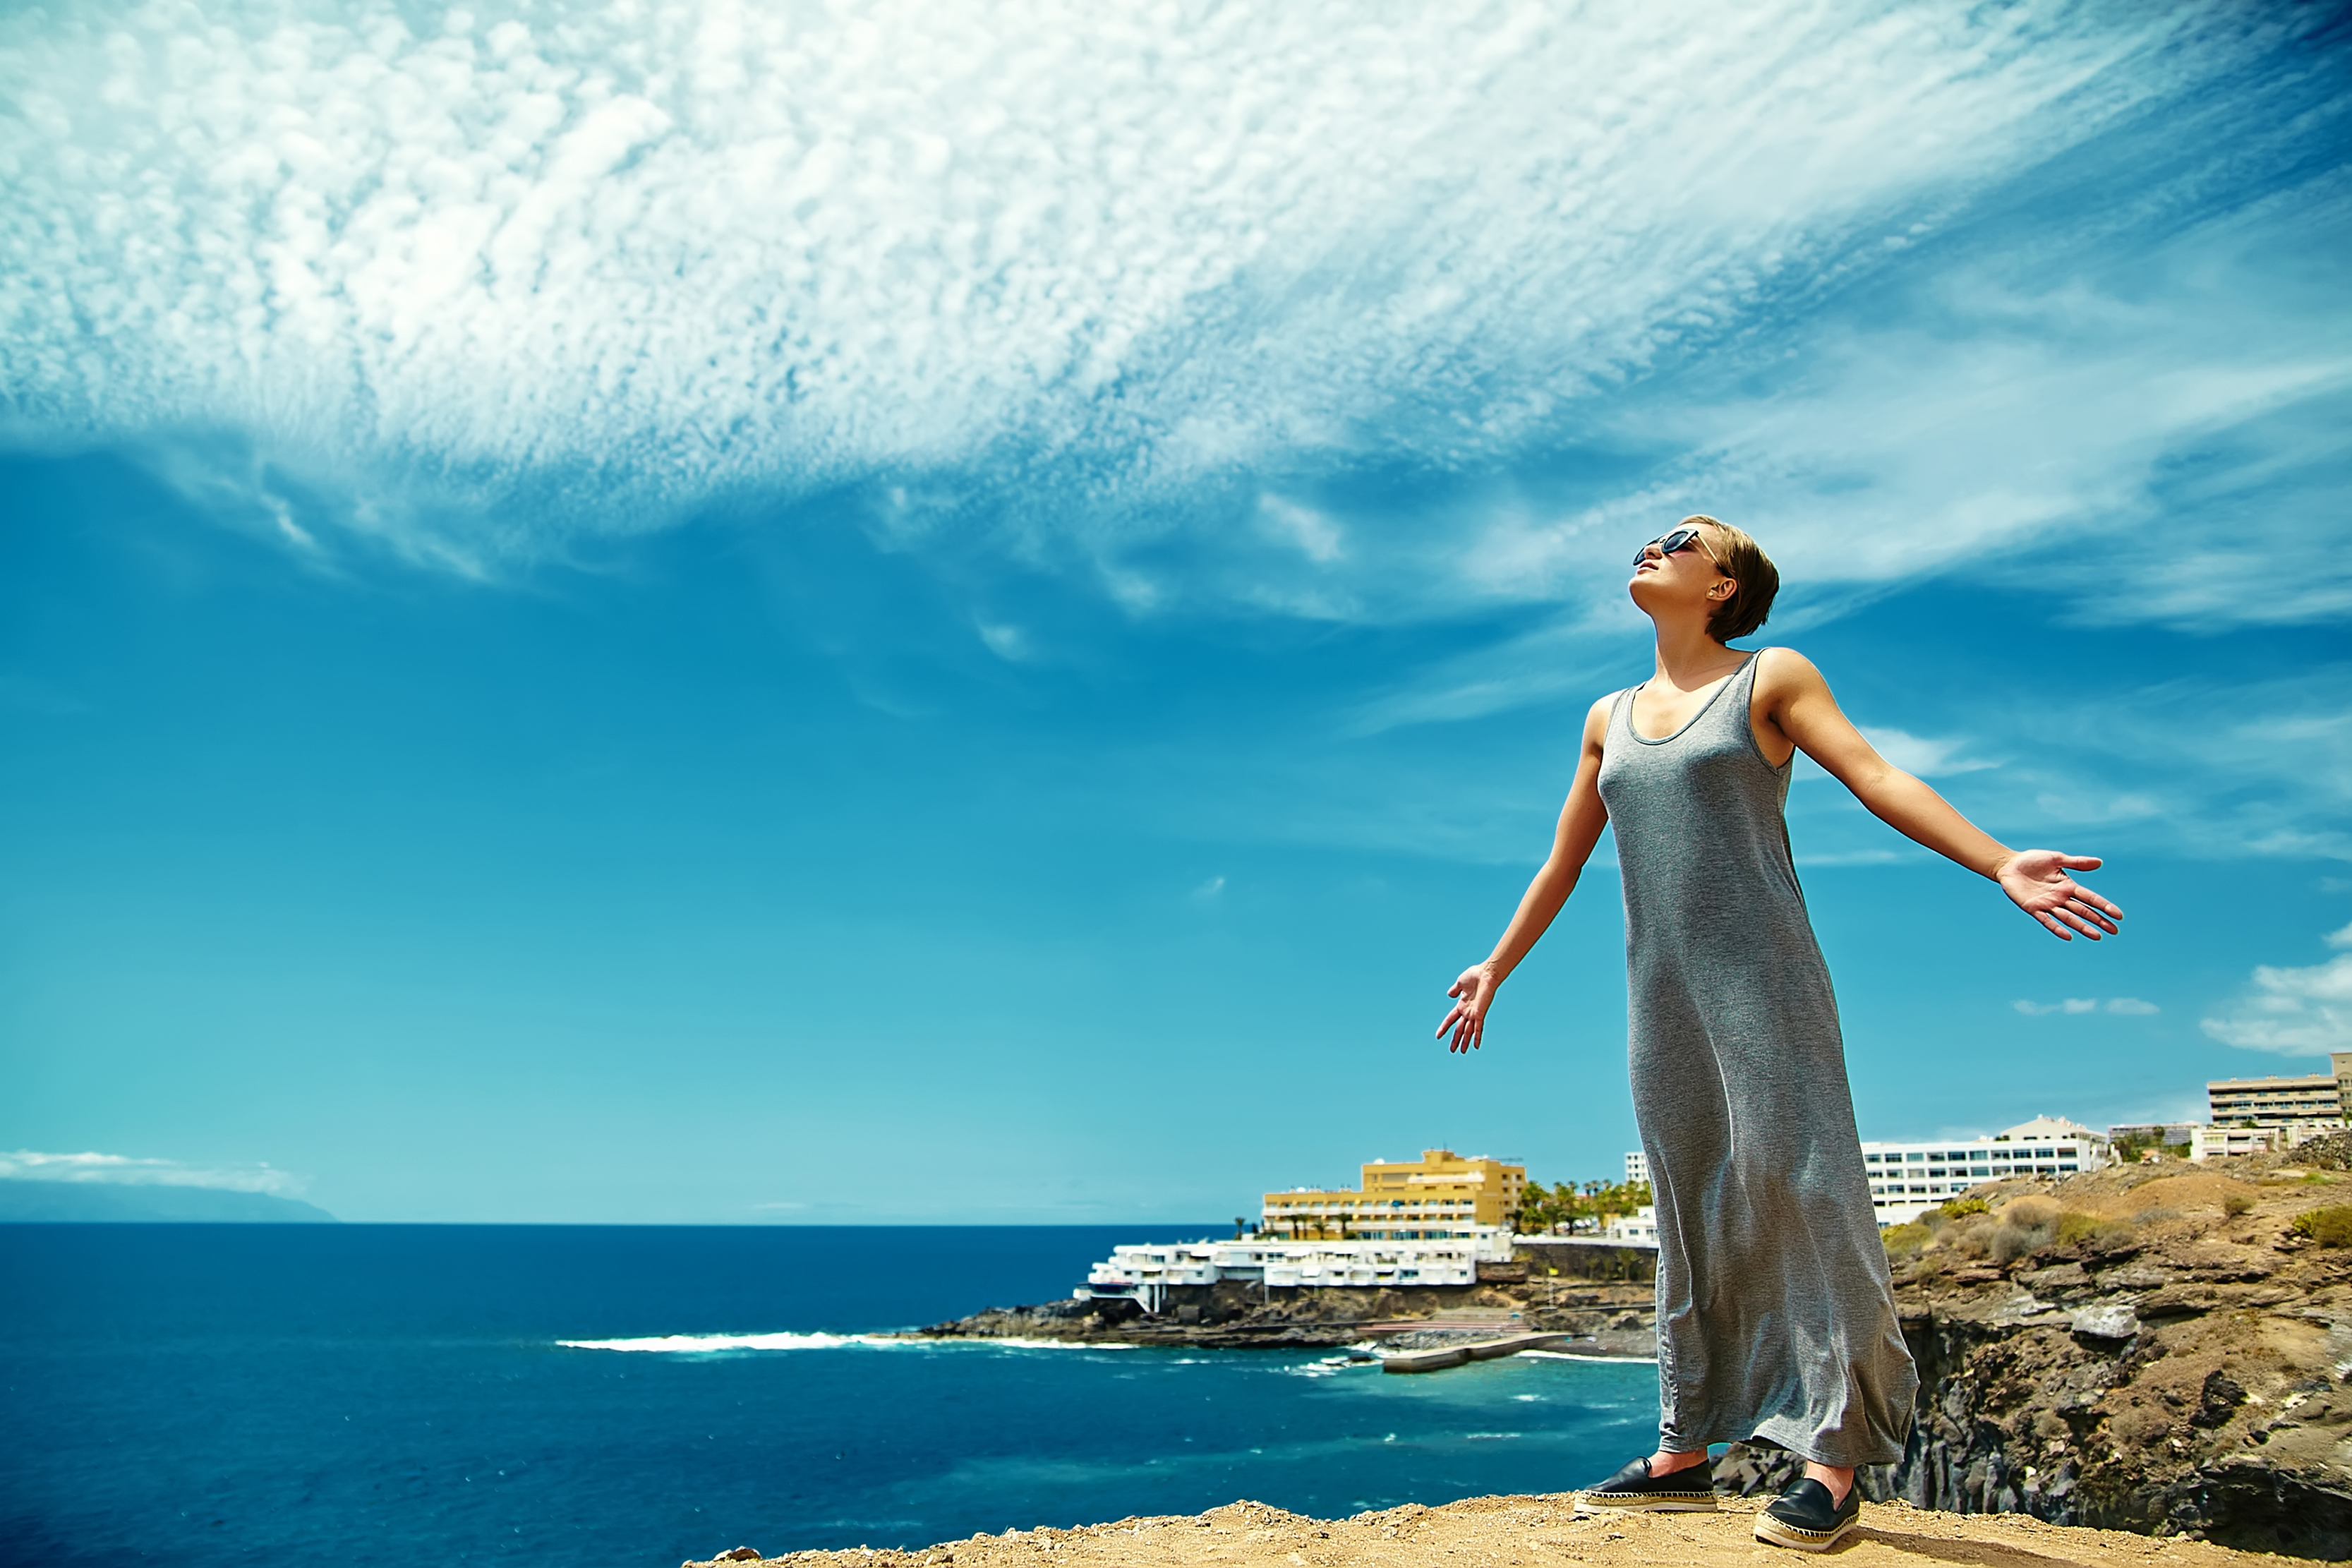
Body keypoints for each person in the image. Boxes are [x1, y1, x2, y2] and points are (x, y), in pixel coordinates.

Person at [1435, 516, 2122, 1552]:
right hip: (1658, 992)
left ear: (1723, 585)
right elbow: (1564, 860)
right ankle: (1683, 1449)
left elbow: (1875, 774)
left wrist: (1996, 862)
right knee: (1689, 1191)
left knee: (1805, 1186)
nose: (1652, 545)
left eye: (1682, 539)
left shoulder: (1769, 678)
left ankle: (1833, 1462)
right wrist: (1496, 963)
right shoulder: (1605, 716)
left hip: (1764, 977)